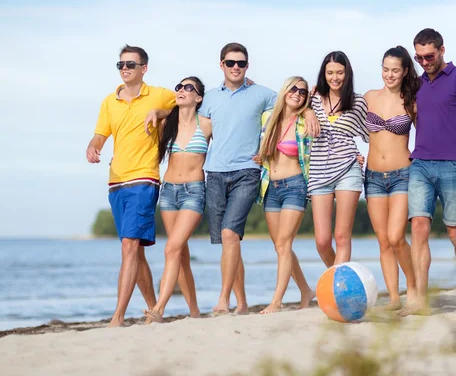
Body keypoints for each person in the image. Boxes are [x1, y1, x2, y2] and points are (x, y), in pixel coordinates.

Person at [145, 43, 319, 315]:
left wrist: (308, 111)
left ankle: (223, 301)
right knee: (230, 241)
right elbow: (186, 118)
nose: (235, 67)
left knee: (229, 235)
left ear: (247, 66)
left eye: (240, 63)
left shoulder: (261, 94)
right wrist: (159, 112)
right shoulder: (211, 98)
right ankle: (243, 303)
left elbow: (291, 101)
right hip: (214, 175)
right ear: (221, 65)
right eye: (230, 63)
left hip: (247, 173)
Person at [86, 45, 175, 327]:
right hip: (116, 182)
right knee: (134, 250)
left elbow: (193, 102)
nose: (124, 68)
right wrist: (93, 146)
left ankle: (118, 316)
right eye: (121, 64)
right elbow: (101, 135)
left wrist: (161, 113)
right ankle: (153, 310)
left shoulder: (160, 94)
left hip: (144, 179)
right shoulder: (109, 101)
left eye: (130, 64)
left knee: (129, 246)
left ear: (143, 69)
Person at [403, 28, 456, 315]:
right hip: (420, 165)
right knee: (418, 228)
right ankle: (419, 299)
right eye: (419, 57)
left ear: (442, 50)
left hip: (454, 166)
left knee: (455, 232)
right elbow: (419, 120)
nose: (424, 61)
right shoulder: (416, 84)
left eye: (429, 56)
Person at [144, 77, 211, 324]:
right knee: (179, 254)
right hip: (169, 192)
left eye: (189, 88)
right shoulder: (166, 124)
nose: (182, 90)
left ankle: (159, 308)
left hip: (194, 192)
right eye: (179, 87)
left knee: (171, 248)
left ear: (199, 97)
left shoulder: (207, 125)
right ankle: (194, 312)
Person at [363, 46, 419, 310]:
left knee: (397, 237)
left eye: (395, 70)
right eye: (385, 69)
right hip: (372, 176)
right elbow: (339, 117)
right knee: (383, 240)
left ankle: (415, 288)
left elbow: (432, 131)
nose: (389, 74)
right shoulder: (369, 97)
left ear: (405, 71)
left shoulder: (412, 101)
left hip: (402, 175)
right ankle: (395, 299)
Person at [254, 76, 316, 314]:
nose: (297, 93)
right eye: (293, 88)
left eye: (302, 91)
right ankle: (305, 290)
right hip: (270, 187)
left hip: (295, 185)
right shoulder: (267, 118)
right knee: (280, 247)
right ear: (284, 90)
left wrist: (309, 110)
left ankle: (276, 302)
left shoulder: (305, 121)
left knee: (284, 243)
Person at [308, 51, 369, 267]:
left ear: (347, 73)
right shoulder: (311, 100)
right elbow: (284, 106)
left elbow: (372, 134)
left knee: (342, 236)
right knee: (322, 241)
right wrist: (307, 112)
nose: (335, 77)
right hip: (318, 172)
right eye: (330, 72)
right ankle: (342, 278)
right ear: (323, 74)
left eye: (340, 72)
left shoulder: (359, 101)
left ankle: (338, 291)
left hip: (348, 169)